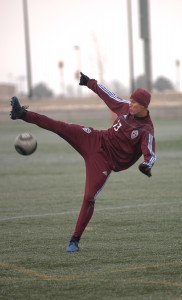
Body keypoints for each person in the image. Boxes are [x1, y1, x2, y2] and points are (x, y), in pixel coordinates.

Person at [10, 72, 156, 253]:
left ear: (144, 106)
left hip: (105, 162)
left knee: (89, 198)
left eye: (134, 102)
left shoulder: (146, 129)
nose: (130, 104)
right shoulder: (125, 107)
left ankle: (74, 240)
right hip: (95, 139)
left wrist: (147, 165)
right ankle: (22, 113)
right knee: (61, 127)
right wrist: (89, 82)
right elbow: (107, 94)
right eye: (131, 100)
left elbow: (150, 152)